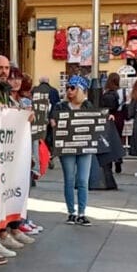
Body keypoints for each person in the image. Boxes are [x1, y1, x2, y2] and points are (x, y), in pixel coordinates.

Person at [50, 75, 94, 224]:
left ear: (80, 89)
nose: (69, 90)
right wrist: (53, 122)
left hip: (84, 147)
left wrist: (108, 119)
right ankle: (71, 212)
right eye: (67, 87)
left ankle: (82, 212)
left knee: (83, 180)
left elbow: (96, 121)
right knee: (69, 179)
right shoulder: (60, 106)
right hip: (67, 148)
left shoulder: (88, 106)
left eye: (72, 88)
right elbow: (51, 120)